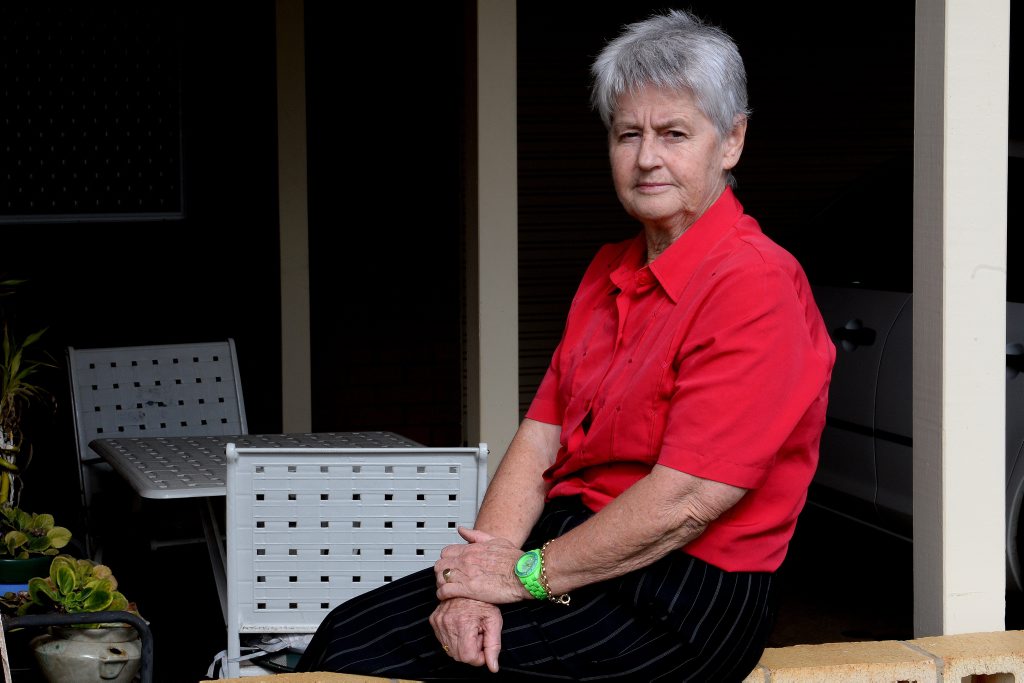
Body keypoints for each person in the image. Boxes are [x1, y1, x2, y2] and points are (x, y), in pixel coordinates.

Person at [297, 9, 834, 681]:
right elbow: (540, 438)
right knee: (346, 630)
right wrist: (475, 581)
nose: (646, 158)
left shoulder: (754, 283)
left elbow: (685, 502)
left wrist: (518, 576)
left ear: (731, 142)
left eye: (674, 134)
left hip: (680, 595)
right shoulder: (611, 269)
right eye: (628, 134)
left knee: (392, 663)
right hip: (573, 551)